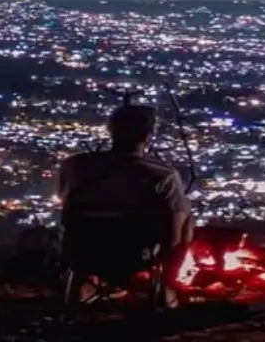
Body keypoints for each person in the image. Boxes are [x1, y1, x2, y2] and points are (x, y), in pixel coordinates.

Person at [57, 96, 194, 305]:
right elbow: (175, 227)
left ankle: (85, 285)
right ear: (148, 135)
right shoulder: (163, 174)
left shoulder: (74, 165)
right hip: (136, 254)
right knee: (185, 218)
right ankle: (167, 287)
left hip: (82, 249)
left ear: (110, 130)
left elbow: (65, 202)